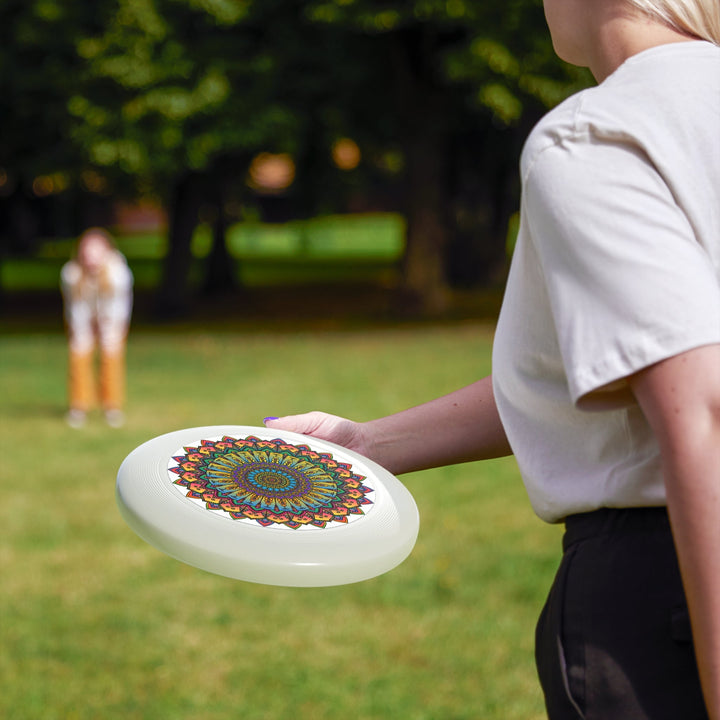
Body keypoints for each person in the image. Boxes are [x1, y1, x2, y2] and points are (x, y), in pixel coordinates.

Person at [263, 1, 720, 717]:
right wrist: (367, 443)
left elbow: (702, 408)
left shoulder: (600, 134)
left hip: (669, 593)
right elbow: (609, 369)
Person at [60, 227, 133, 428]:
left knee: (111, 357)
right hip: (82, 319)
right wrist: (84, 329)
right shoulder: (71, 273)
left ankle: (112, 406)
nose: (91, 257)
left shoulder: (118, 273)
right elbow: (76, 306)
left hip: (112, 319)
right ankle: (79, 406)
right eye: (87, 251)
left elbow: (118, 306)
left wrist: (106, 326)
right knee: (79, 354)